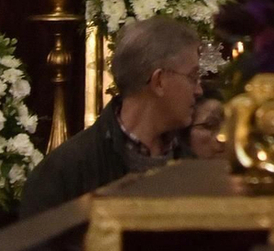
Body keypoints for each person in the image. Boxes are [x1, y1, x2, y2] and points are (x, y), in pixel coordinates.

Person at [16, 17, 208, 216]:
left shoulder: (193, 168)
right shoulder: (63, 173)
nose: (199, 90)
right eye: (193, 78)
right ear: (158, 81)